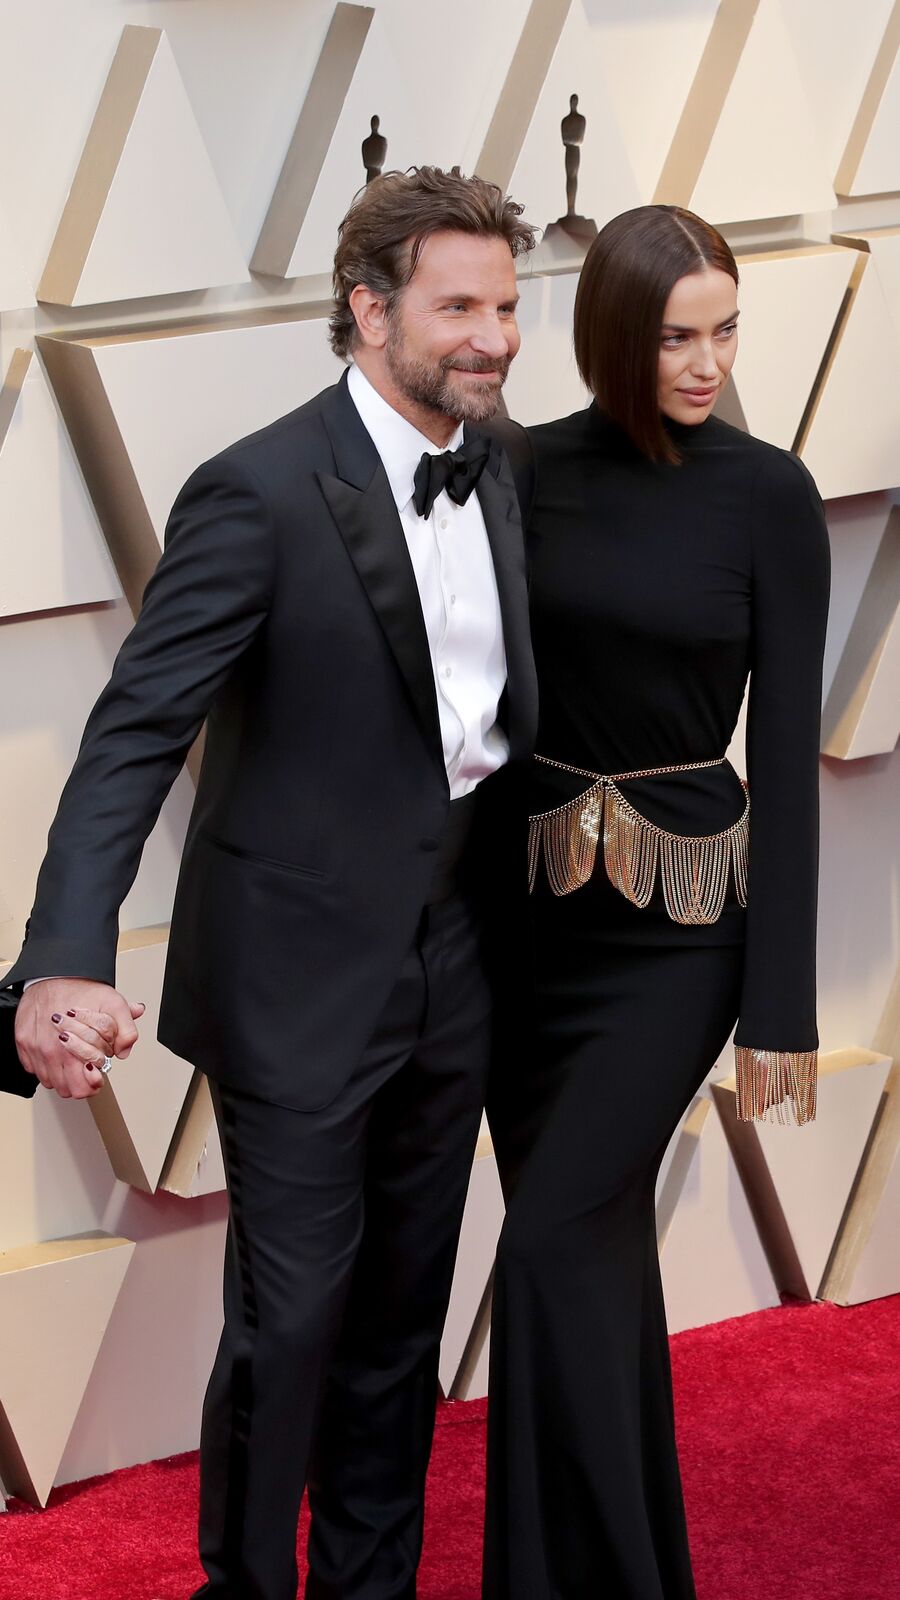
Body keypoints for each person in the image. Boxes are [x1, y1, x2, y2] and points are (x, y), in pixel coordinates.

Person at [5, 165, 537, 1600]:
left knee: (399, 1325)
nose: (492, 335)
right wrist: (60, 958)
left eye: (507, 303)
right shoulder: (255, 489)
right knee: (291, 1321)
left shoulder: (511, 468)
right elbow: (132, 737)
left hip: (456, 963)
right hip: (296, 975)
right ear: (368, 312)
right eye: (458, 307)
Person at [483, 205, 830, 1599]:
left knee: (549, 1238)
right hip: (527, 926)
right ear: (614, 337)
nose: (705, 361)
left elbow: (791, 761)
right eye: (677, 335)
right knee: (597, 1266)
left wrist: (782, 1008)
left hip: (682, 938)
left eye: (724, 330)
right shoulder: (519, 472)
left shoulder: (768, 494)